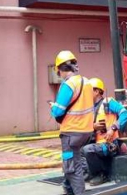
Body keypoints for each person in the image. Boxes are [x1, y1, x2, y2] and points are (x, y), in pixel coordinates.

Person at [49, 50, 94, 195]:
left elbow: (58, 111)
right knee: (72, 162)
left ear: (60, 69)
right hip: (86, 131)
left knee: (72, 167)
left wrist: (53, 106)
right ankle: (68, 190)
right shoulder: (86, 82)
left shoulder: (68, 85)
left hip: (71, 132)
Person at [81, 78, 127, 186]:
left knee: (88, 150)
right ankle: (87, 174)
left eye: (89, 91)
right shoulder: (90, 108)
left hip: (110, 144)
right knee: (78, 149)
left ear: (97, 91)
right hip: (96, 143)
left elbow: (125, 114)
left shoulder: (108, 102)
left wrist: (113, 128)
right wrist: (93, 127)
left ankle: (102, 175)